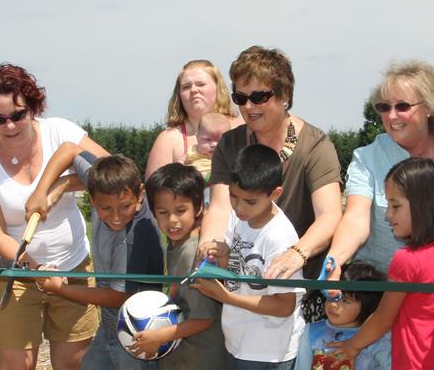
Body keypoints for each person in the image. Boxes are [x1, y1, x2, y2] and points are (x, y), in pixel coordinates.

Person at [0, 63, 102, 370]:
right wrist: (33, 267)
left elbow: (109, 172)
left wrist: (59, 184)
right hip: (14, 274)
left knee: (72, 363)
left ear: (32, 107)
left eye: (17, 115)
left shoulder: (59, 132)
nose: (9, 126)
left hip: (73, 266)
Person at [327, 60, 434, 276]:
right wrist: (334, 261)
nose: (392, 115)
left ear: (429, 107)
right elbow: (355, 218)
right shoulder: (367, 157)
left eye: (402, 106)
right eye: (384, 107)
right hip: (385, 285)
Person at [31, 154, 168, 370]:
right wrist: (51, 189)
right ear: (92, 199)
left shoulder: (137, 237)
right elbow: (71, 150)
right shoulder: (104, 182)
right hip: (109, 329)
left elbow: (117, 297)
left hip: (138, 334)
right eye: (105, 209)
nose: (116, 216)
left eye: (125, 206)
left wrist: (59, 288)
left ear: (140, 194)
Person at [198, 46, 343, 282]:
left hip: (300, 281)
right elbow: (220, 207)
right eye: (241, 98)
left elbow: (329, 215)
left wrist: (295, 254)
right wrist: (209, 245)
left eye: (258, 97)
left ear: (285, 95)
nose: (248, 106)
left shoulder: (316, 146)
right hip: (243, 278)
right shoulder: (229, 144)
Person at [329, 158, 434, 370]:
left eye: (395, 205)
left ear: (425, 206)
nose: (387, 215)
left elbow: (382, 319)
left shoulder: (406, 260)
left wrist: (352, 346)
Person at [193, 144, 308, 370]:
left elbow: (283, 305)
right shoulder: (239, 218)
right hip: (239, 344)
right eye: (233, 196)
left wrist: (226, 297)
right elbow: (240, 271)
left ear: (275, 193)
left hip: (268, 355)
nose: (239, 207)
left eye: (250, 201)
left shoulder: (279, 237)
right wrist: (223, 254)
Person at [137, 163, 226, 370]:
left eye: (180, 210)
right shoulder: (176, 246)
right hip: (189, 365)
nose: (172, 220)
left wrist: (160, 336)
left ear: (199, 208)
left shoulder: (193, 252)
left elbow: (205, 318)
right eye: (163, 212)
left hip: (203, 367)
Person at [286, 262, 390, 370]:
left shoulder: (374, 338)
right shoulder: (313, 331)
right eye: (332, 296)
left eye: (345, 301)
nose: (334, 305)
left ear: (367, 305)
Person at [146, 60, 239, 177]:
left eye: (201, 84)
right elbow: (155, 190)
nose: (194, 90)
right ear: (179, 95)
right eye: (186, 86)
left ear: (218, 88)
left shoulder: (241, 128)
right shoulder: (169, 139)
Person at [190, 112, 232, 181]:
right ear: (197, 138)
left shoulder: (228, 155)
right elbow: (183, 162)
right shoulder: (193, 151)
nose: (214, 144)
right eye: (208, 140)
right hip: (195, 183)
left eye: (220, 141)